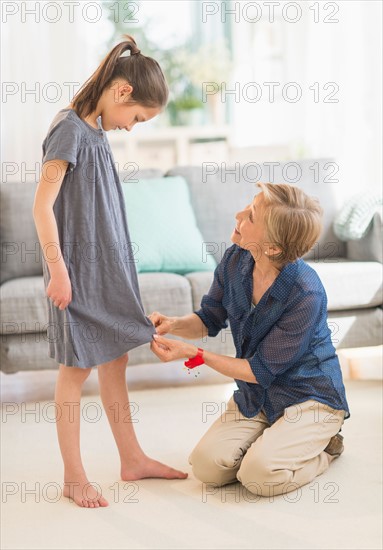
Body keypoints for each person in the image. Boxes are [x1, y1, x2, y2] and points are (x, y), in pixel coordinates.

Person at [33, 35, 187, 509]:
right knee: (75, 369)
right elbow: (42, 208)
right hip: (76, 275)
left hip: (109, 272)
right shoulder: (68, 130)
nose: (132, 127)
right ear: (122, 92)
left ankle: (132, 458)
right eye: (137, 118)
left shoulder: (95, 130)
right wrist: (58, 272)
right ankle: (73, 476)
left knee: (115, 358)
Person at [150, 182, 350, 498]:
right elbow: (208, 319)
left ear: (272, 248)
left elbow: (258, 370)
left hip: (308, 395)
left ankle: (325, 447)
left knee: (259, 477)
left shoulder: (305, 293)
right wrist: (172, 325)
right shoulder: (235, 260)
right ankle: (277, 439)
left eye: (251, 216)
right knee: (207, 468)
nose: (239, 214)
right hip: (259, 395)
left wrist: (194, 354)